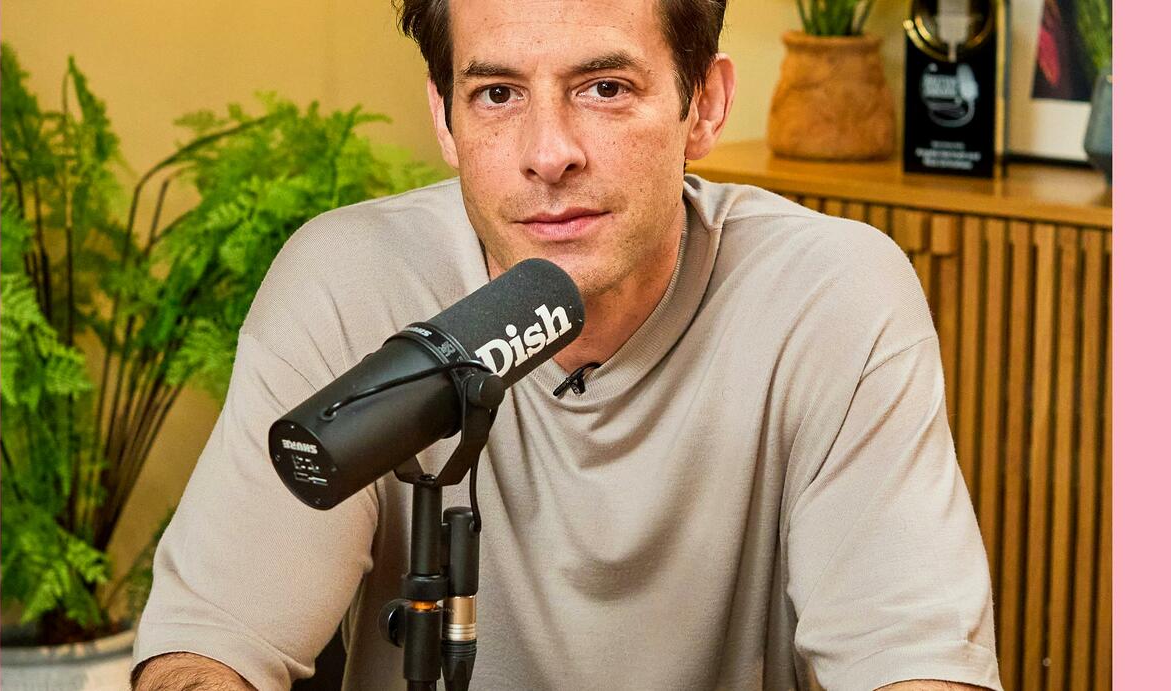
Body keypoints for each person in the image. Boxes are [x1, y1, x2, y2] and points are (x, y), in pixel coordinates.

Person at [132, 1, 1002, 689]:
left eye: (605, 87)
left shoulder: (830, 294)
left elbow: (912, 657)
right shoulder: (348, 278)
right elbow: (212, 645)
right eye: (497, 95)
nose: (548, 154)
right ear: (444, 117)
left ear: (704, 106)